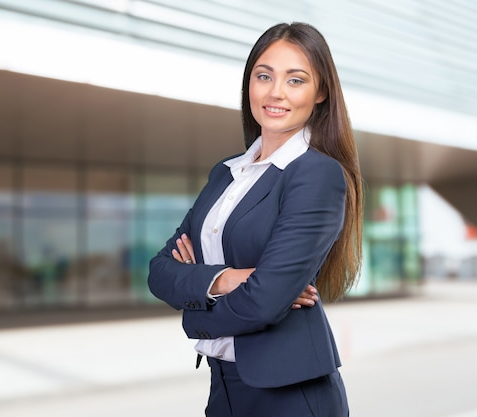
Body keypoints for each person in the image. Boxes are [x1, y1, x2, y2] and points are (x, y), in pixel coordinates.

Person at [148, 22, 362, 417]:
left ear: (321, 93)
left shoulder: (316, 175)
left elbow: (265, 301)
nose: (275, 92)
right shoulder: (226, 173)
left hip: (289, 395)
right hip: (223, 389)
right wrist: (229, 278)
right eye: (264, 76)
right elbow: (159, 271)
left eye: (296, 80)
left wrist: (195, 308)